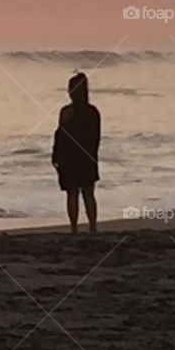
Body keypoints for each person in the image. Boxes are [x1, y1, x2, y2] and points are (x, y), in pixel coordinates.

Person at [52, 72, 101, 234]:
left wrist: (56, 156)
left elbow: (60, 136)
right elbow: (96, 138)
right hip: (87, 156)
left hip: (69, 158)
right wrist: (93, 156)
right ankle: (92, 227)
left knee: (72, 194)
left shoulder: (66, 112)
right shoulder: (93, 112)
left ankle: (74, 228)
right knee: (89, 193)